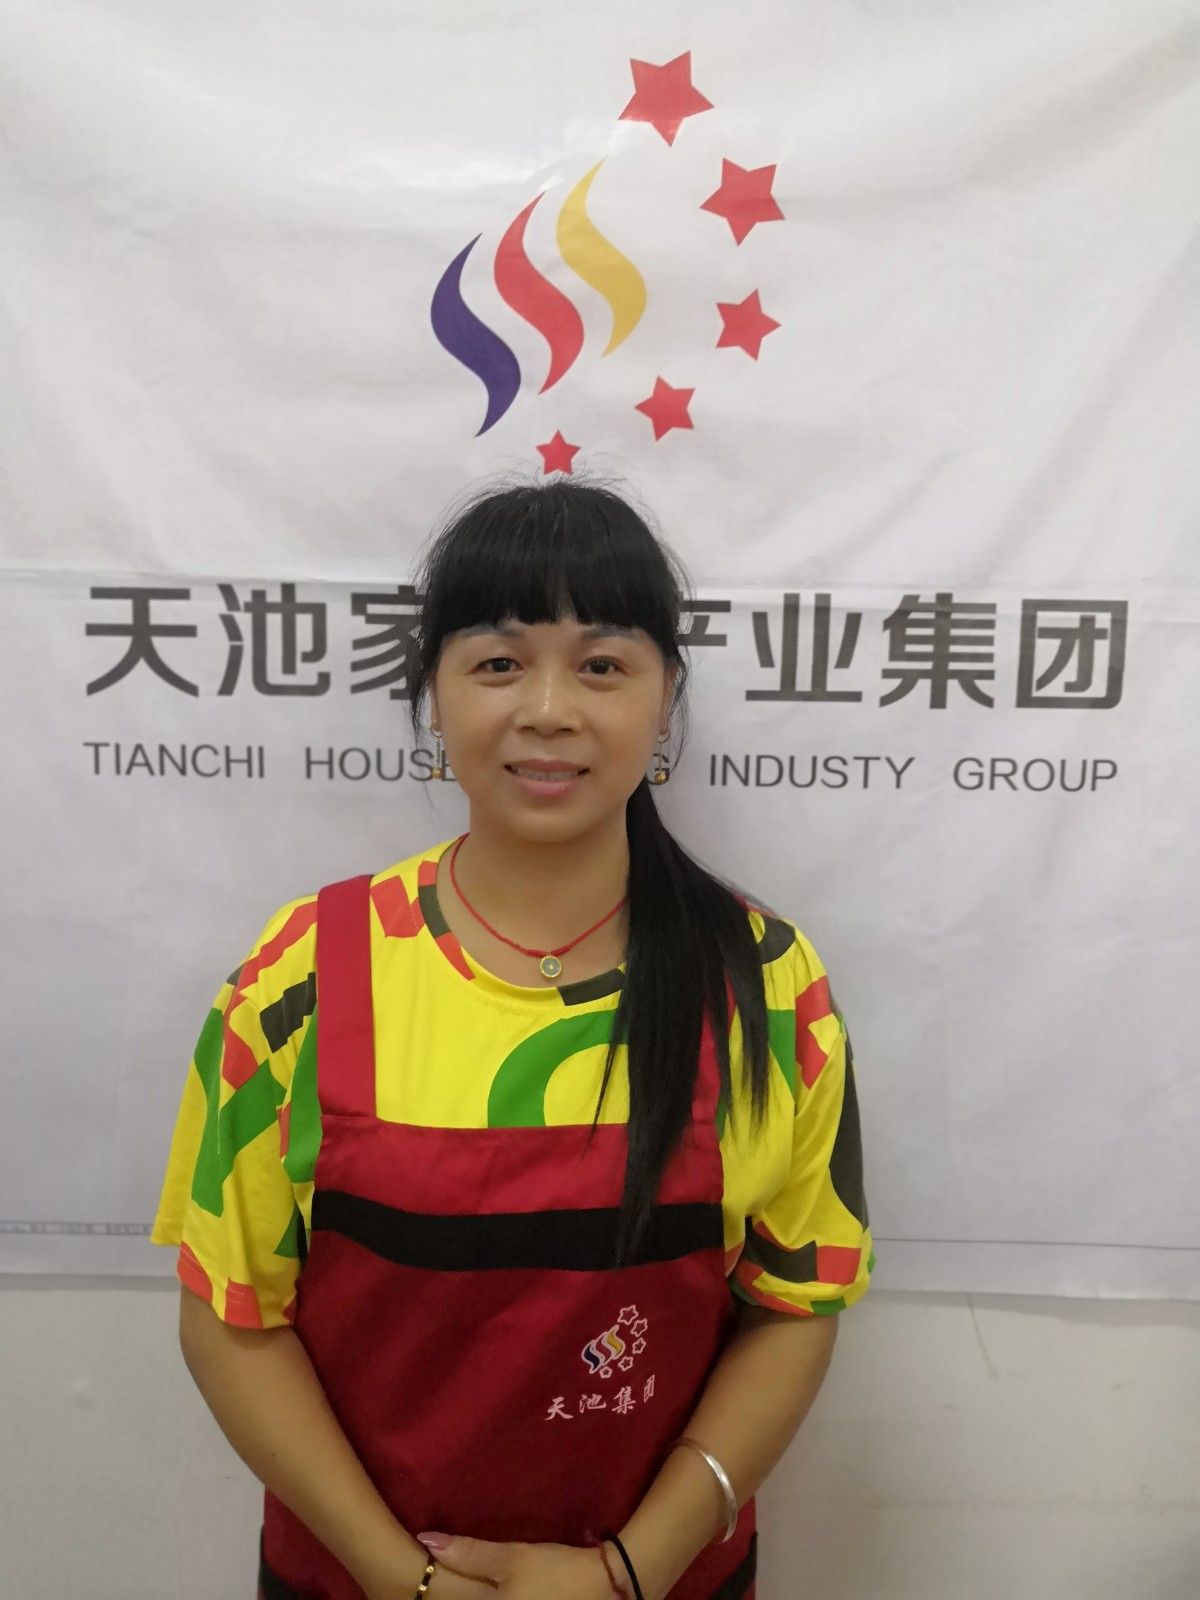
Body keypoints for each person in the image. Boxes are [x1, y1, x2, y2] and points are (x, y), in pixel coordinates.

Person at [152, 478, 875, 1600]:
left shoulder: (769, 988)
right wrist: (405, 1578)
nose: (548, 708)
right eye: (497, 662)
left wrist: (629, 1571)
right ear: (432, 696)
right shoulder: (304, 975)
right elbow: (228, 1314)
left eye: (602, 665)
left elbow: (797, 1302)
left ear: (666, 699)